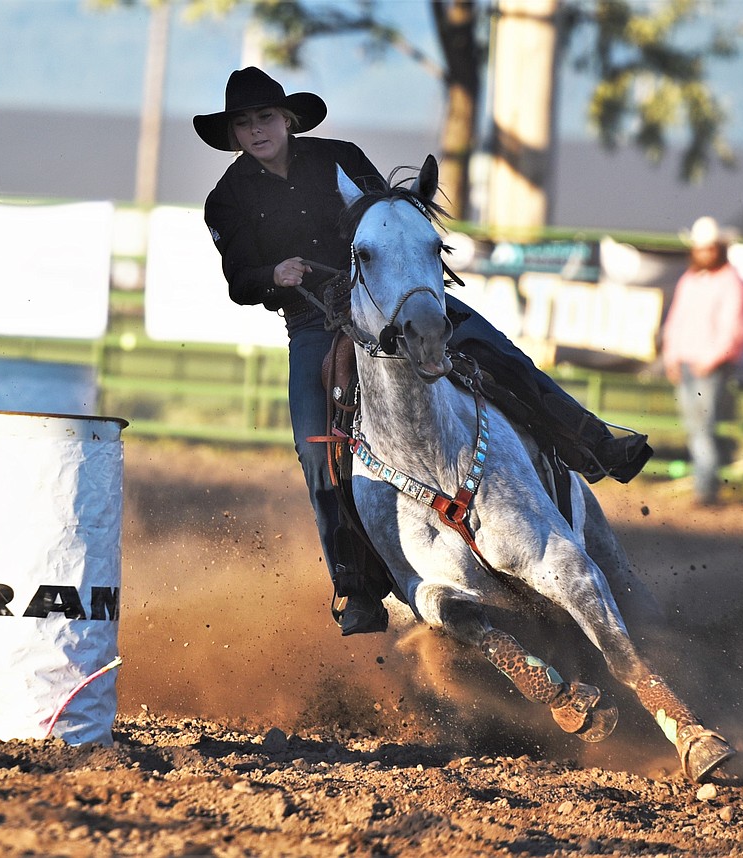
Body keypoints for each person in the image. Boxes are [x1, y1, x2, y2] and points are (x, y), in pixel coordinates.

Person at [194, 67, 652, 635]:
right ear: (233, 133)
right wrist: (273, 273)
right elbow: (239, 280)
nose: (257, 130)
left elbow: (391, 212)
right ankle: (356, 585)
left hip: (391, 296)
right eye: (244, 123)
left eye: (265, 117)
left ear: (287, 119)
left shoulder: (339, 157)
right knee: (316, 448)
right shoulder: (227, 199)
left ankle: (590, 442)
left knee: (499, 356)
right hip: (314, 320)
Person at [660, 216, 743, 507]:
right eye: (700, 248)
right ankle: (706, 484)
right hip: (688, 362)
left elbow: (732, 330)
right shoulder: (691, 279)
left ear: (719, 248)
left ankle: (705, 488)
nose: (703, 253)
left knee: (702, 427)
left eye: (708, 248)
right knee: (696, 426)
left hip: (708, 366)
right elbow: (676, 321)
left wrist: (711, 359)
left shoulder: (731, 282)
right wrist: (672, 355)